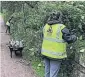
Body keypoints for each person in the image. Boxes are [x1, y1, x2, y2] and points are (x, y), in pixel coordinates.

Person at [41, 11, 77, 77]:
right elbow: (69, 39)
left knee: (47, 73)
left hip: (45, 53)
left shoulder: (45, 26)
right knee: (53, 74)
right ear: (59, 17)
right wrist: (75, 37)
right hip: (55, 55)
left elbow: (43, 37)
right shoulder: (61, 27)